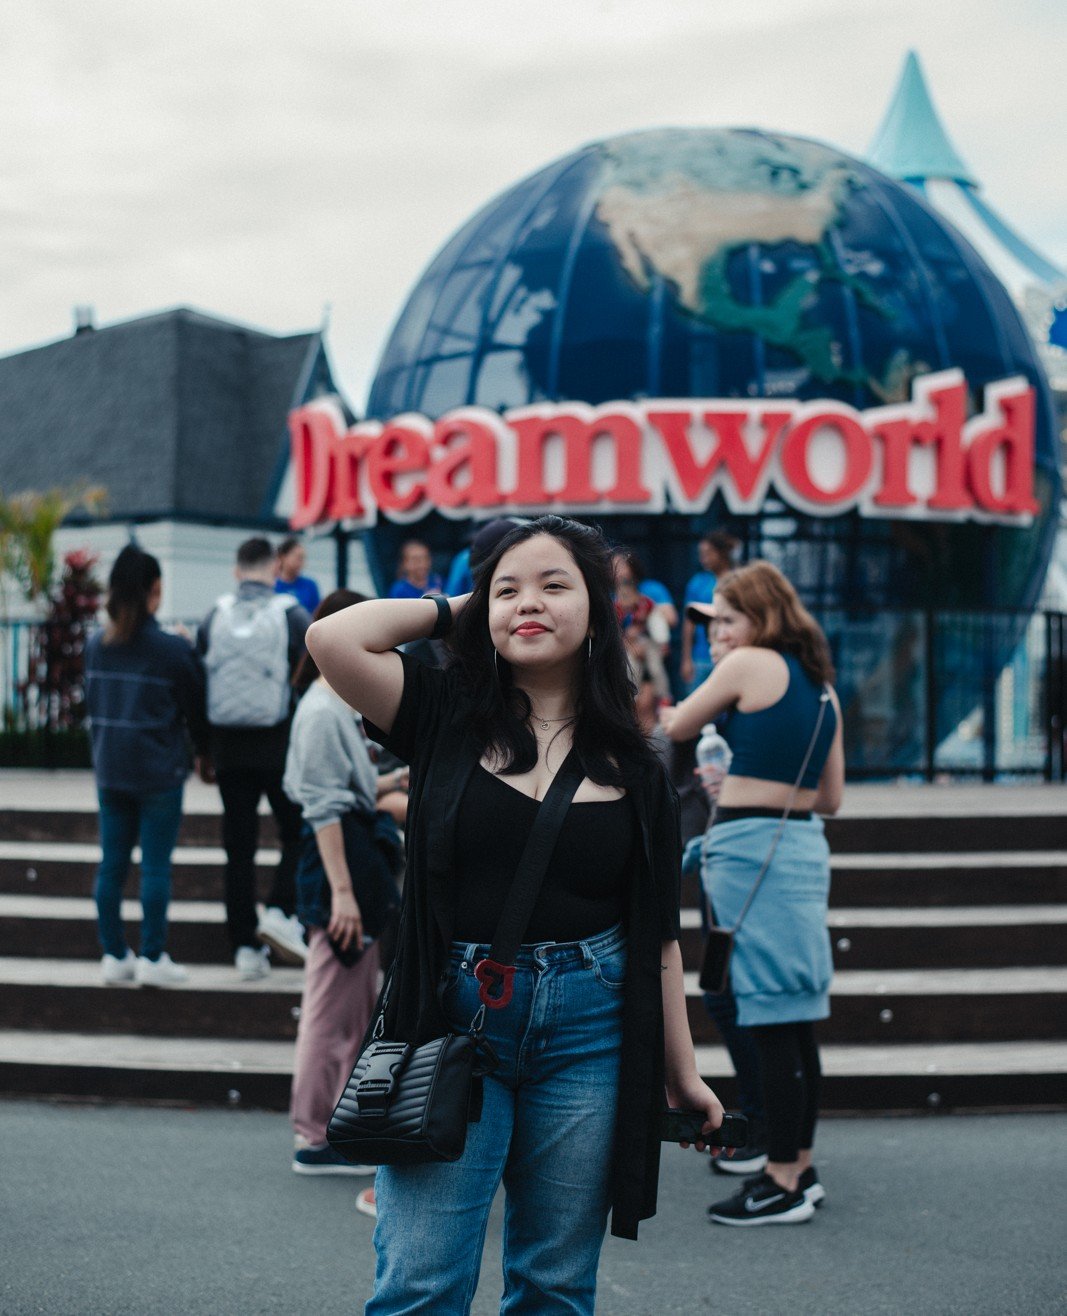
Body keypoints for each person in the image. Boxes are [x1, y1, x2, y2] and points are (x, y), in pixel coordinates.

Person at [306, 513, 724, 1313]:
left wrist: (683, 1074)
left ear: (599, 609)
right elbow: (333, 640)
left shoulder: (638, 765)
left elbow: (658, 938)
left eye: (553, 585)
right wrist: (459, 606)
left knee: (555, 1285)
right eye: (508, 590)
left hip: (590, 1029)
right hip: (451, 1018)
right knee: (419, 1283)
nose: (527, 602)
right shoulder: (439, 711)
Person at [661, 561, 844, 1226]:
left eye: (726, 620)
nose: (719, 635)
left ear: (759, 617)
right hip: (799, 847)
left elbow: (677, 726)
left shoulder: (747, 665)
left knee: (763, 1017)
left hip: (745, 849)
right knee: (793, 1020)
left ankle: (779, 1180)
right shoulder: (821, 688)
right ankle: (799, 1165)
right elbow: (831, 797)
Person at [283, 589, 407, 1178]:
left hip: (349, 861)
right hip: (340, 865)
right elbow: (325, 809)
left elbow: (343, 796)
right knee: (330, 1007)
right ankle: (314, 1134)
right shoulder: (324, 710)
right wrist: (342, 894)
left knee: (348, 1005)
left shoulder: (333, 702)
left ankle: (328, 1125)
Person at [85, 544, 209, 986]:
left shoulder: (95, 645)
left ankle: (115, 955)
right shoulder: (171, 649)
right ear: (155, 589)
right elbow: (198, 708)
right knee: (155, 867)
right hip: (158, 772)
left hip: (111, 770)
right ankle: (153, 957)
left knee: (111, 866)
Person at [197, 537, 311, 978]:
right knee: (297, 832)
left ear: (236, 569)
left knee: (238, 847)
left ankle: (244, 946)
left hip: (228, 749)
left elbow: (199, 676)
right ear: (276, 566)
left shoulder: (214, 615)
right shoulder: (291, 614)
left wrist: (203, 749)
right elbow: (309, 671)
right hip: (278, 745)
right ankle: (280, 911)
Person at [680, 531, 739, 694]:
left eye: (708, 553)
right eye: (701, 554)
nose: (703, 559)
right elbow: (689, 623)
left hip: (730, 657)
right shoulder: (697, 582)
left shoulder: (739, 580)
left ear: (721, 553)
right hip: (701, 658)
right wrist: (686, 659)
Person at [275, 536, 321, 614]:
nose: (302, 563)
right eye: (298, 558)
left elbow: (317, 614)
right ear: (283, 557)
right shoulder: (272, 585)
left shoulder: (310, 585)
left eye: (303, 558)